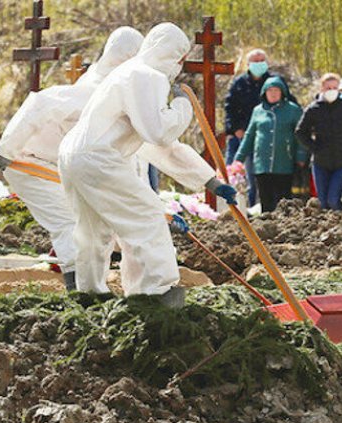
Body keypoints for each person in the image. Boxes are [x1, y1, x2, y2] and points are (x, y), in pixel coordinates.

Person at [57, 23, 237, 308]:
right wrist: (182, 107)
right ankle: (154, 293)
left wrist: (209, 181)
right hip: (97, 157)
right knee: (147, 215)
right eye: (180, 58)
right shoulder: (147, 76)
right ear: (172, 53)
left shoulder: (127, 74)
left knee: (93, 230)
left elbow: (157, 146)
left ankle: (90, 293)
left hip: (73, 155)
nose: (179, 66)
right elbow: (159, 133)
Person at [0, 26, 144, 291]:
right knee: (68, 224)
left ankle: (89, 289)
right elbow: (40, 104)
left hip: (64, 167)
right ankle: (79, 293)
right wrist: (6, 150)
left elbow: (126, 158)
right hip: (30, 162)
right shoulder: (97, 91)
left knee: (94, 230)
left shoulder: (119, 95)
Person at [295, 73, 342, 210]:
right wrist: (314, 147)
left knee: (333, 199)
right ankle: (330, 228)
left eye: (335, 87)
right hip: (320, 162)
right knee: (323, 202)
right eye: (328, 87)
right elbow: (300, 131)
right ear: (322, 89)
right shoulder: (313, 109)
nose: (332, 90)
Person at [234, 76, 307, 212]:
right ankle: (266, 226)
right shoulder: (258, 111)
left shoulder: (293, 110)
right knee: (265, 201)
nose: (273, 93)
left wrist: (301, 156)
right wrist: (239, 159)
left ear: (282, 92)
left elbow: (301, 135)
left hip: (284, 162)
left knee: (284, 201)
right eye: (270, 90)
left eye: (276, 90)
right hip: (262, 164)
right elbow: (249, 136)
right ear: (264, 93)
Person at [224, 49, 271, 207]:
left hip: (264, 138)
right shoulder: (239, 83)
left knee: (255, 179)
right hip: (240, 135)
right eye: (255, 61)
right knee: (233, 174)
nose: (259, 64)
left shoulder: (273, 83)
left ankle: (252, 209)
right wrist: (235, 128)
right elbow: (229, 108)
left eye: (262, 60)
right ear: (248, 64)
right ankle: (230, 207)